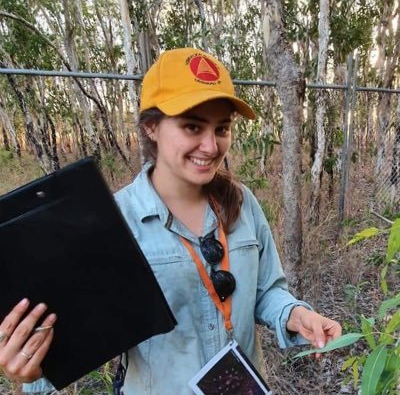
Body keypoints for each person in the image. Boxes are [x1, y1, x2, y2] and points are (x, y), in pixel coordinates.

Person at [0, 48, 341, 394]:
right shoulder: (115, 222)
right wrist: (33, 370)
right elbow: (78, 335)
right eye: (192, 126)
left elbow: (267, 291)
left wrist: (296, 316)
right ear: (151, 126)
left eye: (221, 128)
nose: (210, 146)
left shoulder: (242, 204)